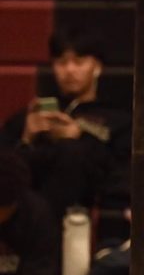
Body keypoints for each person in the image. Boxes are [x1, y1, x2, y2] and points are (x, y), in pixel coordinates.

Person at [0, 28, 131, 222]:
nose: (69, 70)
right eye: (61, 62)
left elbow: (121, 177)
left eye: (78, 62)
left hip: (87, 216)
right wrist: (27, 138)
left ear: (96, 67)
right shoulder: (31, 116)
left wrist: (79, 138)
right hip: (25, 217)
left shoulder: (117, 120)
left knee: (71, 152)